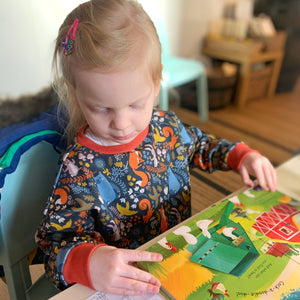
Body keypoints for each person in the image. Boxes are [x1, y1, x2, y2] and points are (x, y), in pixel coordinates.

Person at [36, 0, 277, 296]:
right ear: (75, 94)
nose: (122, 124)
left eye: (136, 104)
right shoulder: (77, 168)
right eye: (101, 109)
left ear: (156, 82)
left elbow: (202, 146)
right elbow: (54, 248)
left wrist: (242, 156)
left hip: (180, 264)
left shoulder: (167, 127)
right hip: (128, 285)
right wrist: (89, 261)